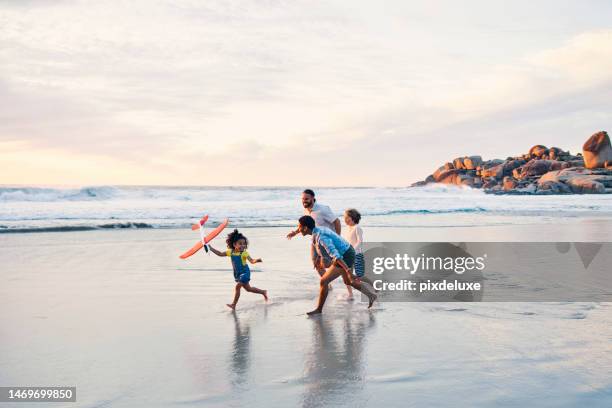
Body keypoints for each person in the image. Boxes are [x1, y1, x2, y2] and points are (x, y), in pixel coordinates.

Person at [296, 215, 376, 315]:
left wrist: (347, 270)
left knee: (324, 281)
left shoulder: (321, 237)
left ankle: (319, 310)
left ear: (305, 228)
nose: (298, 229)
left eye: (299, 227)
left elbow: (336, 256)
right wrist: (318, 257)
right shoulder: (317, 230)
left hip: (345, 255)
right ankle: (371, 295)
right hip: (347, 250)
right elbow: (321, 247)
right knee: (348, 281)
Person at [287, 189, 353, 298]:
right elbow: (304, 224)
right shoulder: (307, 211)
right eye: (303, 199)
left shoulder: (323, 209)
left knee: (339, 264)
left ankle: (349, 291)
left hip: (327, 241)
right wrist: (295, 232)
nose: (304, 201)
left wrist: (338, 238)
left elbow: (337, 222)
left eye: (307, 199)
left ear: (313, 198)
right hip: (315, 241)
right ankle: (327, 284)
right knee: (316, 264)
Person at [209, 229, 268, 310]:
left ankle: (233, 304)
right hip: (237, 274)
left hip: (245, 272)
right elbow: (220, 254)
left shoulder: (244, 253)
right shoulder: (231, 252)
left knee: (237, 287)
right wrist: (211, 249)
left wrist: (257, 260)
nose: (243, 245)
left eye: (244, 244)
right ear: (234, 244)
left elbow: (251, 261)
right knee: (248, 289)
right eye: (240, 244)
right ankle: (263, 292)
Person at [343, 208, 373, 287]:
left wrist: (353, 250)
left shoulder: (357, 228)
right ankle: (350, 294)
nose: (344, 219)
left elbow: (360, 241)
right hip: (349, 255)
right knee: (348, 275)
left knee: (360, 276)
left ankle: (373, 285)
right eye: (344, 217)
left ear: (352, 217)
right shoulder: (347, 229)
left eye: (346, 217)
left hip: (357, 255)